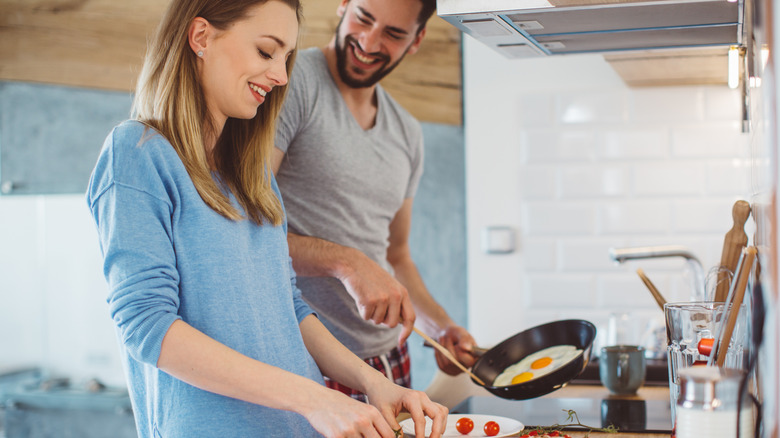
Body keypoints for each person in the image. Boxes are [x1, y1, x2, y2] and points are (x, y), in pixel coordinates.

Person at [85, 0, 447, 436]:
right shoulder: (138, 154)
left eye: (287, 58)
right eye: (265, 52)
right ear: (201, 37)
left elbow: (289, 305)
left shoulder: (252, 174)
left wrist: (373, 383)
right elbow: (147, 326)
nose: (280, 76)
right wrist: (314, 398)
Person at [271, 0, 478, 400]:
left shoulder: (407, 133)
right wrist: (346, 262)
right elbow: (245, 232)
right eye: (363, 18)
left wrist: (440, 328)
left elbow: (396, 255)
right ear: (343, 5)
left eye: (394, 33)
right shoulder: (290, 83)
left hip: (390, 357)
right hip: (308, 358)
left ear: (416, 41)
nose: (368, 41)